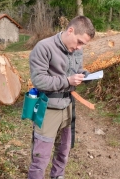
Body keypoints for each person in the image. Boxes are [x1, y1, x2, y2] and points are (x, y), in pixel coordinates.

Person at [28, 15, 95, 179]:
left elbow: (76, 69)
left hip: (68, 106)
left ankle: (58, 176)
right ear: (70, 31)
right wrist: (67, 81)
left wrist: (83, 74)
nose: (80, 47)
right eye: (79, 42)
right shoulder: (44, 47)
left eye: (83, 45)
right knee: (41, 156)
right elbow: (39, 80)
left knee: (64, 150)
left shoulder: (76, 50)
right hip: (47, 108)